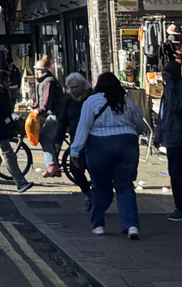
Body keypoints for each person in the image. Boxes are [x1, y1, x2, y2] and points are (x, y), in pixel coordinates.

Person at [71, 72, 146, 239]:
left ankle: (98, 225)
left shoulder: (91, 101)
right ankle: (131, 225)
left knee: (100, 186)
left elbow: (84, 127)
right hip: (127, 144)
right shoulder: (127, 102)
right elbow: (140, 126)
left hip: (99, 146)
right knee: (125, 186)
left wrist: (75, 151)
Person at [0, 70, 35, 194]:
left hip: (4, 129)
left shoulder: (3, 92)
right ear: (1, 82)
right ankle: (21, 183)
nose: (9, 83)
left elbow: (7, 111)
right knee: (9, 156)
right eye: (7, 81)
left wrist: (14, 120)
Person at [155, 60, 182, 221]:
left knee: (178, 172)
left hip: (177, 135)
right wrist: (159, 135)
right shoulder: (171, 88)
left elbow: (175, 107)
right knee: (174, 171)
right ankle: (181, 206)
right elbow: (163, 114)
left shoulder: (181, 88)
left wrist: (169, 86)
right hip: (170, 133)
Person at [56, 72, 92, 209]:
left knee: (94, 170)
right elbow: (62, 122)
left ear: (83, 85)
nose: (73, 90)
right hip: (76, 141)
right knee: (75, 171)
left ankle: (98, 196)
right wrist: (58, 140)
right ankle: (88, 194)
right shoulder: (69, 101)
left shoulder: (91, 98)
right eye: (70, 87)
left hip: (92, 141)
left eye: (76, 87)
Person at [33, 58, 65, 177]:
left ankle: (52, 165)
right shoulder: (42, 81)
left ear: (41, 71)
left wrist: (39, 110)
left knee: (44, 137)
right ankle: (55, 164)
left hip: (56, 114)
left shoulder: (48, 82)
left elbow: (46, 103)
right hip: (50, 113)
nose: (36, 73)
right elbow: (39, 100)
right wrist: (34, 107)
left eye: (37, 71)